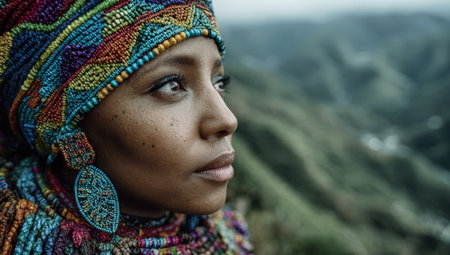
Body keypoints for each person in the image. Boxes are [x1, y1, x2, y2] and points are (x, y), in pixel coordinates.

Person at [0, 0, 254, 253]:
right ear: (64, 119)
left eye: (219, 82)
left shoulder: (229, 235)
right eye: (171, 85)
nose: (227, 120)